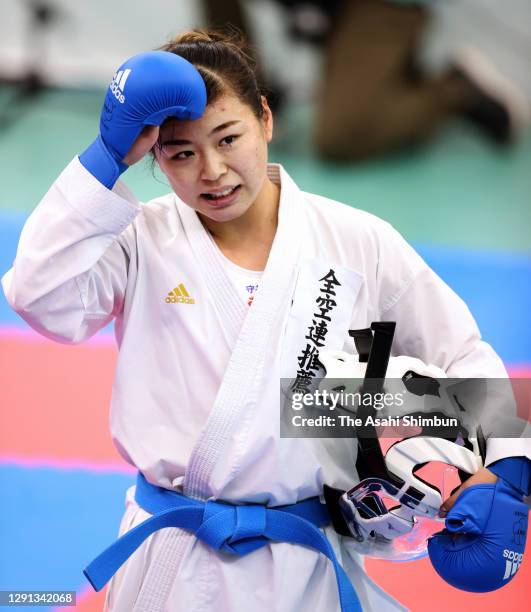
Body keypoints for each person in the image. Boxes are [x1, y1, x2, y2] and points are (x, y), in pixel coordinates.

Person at [2, 29, 529, 612]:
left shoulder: (356, 242)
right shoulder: (139, 239)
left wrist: (507, 473)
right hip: (174, 560)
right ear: (151, 156)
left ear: (266, 120)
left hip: (304, 562)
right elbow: (39, 297)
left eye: (229, 138)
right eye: (181, 153)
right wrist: (103, 159)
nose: (213, 171)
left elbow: (464, 358)